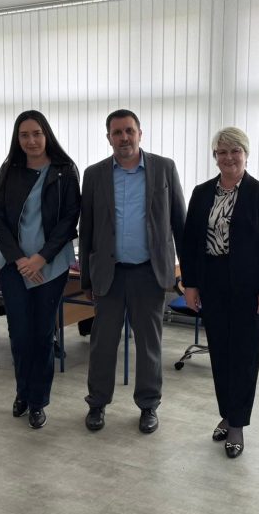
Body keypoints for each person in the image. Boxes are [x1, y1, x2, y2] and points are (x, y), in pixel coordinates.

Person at [79, 109, 185, 434]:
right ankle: (97, 403)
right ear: (108, 137)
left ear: (140, 133)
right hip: (109, 274)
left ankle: (149, 405)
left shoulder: (164, 168)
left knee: (149, 344)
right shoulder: (94, 174)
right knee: (102, 344)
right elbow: (88, 230)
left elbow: (179, 223)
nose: (124, 137)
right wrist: (87, 279)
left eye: (129, 130)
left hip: (148, 273)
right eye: (117, 132)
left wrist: (188, 275)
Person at [180, 127, 259, 459]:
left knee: (244, 355)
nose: (228, 157)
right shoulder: (201, 193)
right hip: (211, 282)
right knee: (221, 354)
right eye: (222, 152)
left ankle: (237, 423)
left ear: (245, 154)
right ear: (215, 157)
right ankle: (226, 413)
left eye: (235, 150)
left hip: (249, 288)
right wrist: (190, 284)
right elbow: (190, 242)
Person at [0, 111, 81, 429]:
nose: (31, 140)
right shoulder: (9, 169)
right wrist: (19, 260)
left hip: (50, 266)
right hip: (13, 266)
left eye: (37, 133)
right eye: (24, 135)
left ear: (47, 135)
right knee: (19, 333)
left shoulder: (65, 170)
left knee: (42, 335)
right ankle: (23, 392)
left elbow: (70, 219)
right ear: (17, 139)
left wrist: (41, 258)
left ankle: (38, 401)